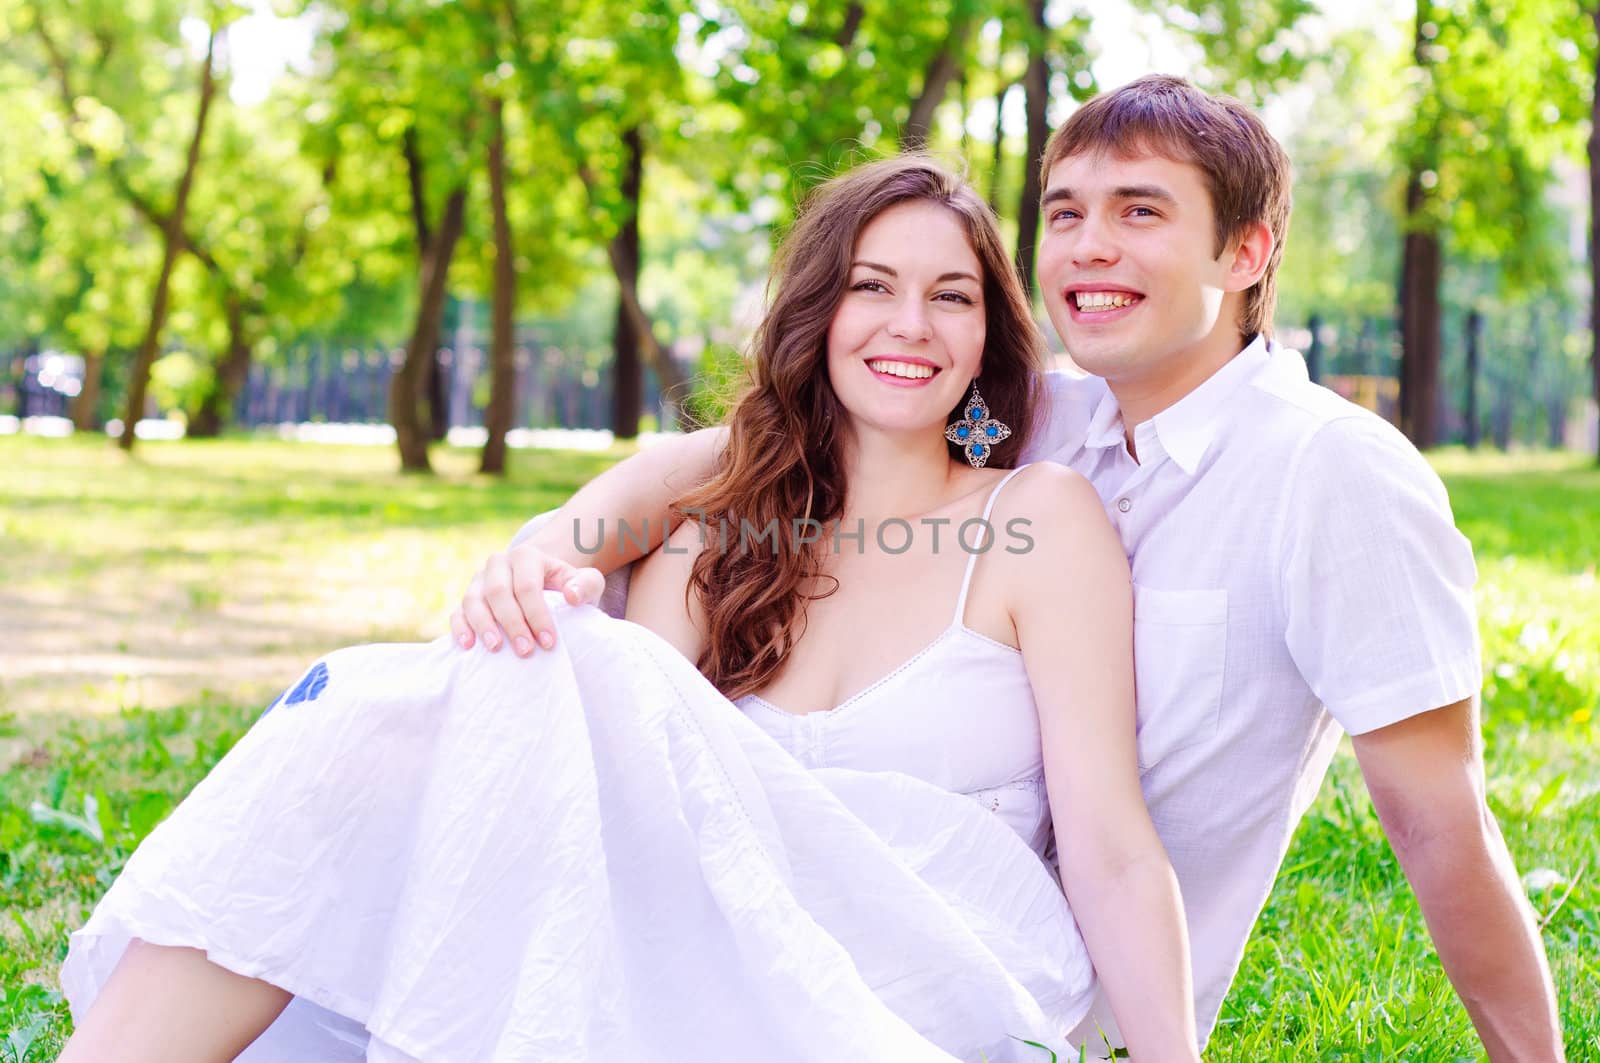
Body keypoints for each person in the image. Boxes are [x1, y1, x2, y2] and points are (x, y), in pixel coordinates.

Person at [454, 76, 1565, 1060]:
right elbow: (752, 451)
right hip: (818, 926)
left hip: (1045, 995)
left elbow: (1437, 820)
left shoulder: (1330, 475)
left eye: (1141, 211)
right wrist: (559, 535)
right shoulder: (1047, 420)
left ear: (1246, 251)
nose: (1088, 246)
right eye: (1066, 212)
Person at [58, 157, 1204, 1063]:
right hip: (706, 951)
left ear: (986, 336)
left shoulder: (1037, 518)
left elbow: (1106, 842)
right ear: (818, 313)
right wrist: (541, 555)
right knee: (421, 701)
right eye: (871, 286)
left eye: (950, 296)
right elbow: (605, 777)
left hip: (926, 958)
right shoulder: (715, 532)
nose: (910, 324)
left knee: (492, 677)